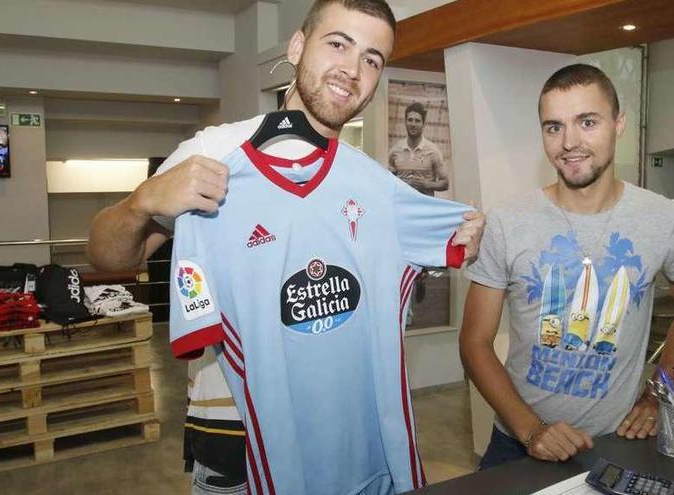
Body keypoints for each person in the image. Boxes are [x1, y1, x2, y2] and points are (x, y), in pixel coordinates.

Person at [87, 1, 484, 494]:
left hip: (351, 428)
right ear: (297, 46)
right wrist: (141, 202)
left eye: (372, 59)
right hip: (236, 440)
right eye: (338, 44)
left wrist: (463, 233)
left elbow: (446, 240)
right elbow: (107, 259)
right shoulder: (213, 154)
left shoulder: (374, 183)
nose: (352, 69)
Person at [460, 63, 674, 470]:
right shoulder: (507, 222)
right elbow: (474, 342)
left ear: (619, 124)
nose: (569, 142)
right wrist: (532, 430)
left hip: (616, 442)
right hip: (515, 443)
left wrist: (656, 394)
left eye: (587, 122)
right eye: (553, 127)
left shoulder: (665, 220)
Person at [388, 102, 448, 197]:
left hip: (426, 208)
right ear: (405, 122)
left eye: (417, 121)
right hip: (402, 206)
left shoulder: (433, 151)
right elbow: (389, 181)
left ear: (423, 124)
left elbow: (445, 183)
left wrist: (426, 185)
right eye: (410, 120)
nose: (413, 124)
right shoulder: (395, 150)